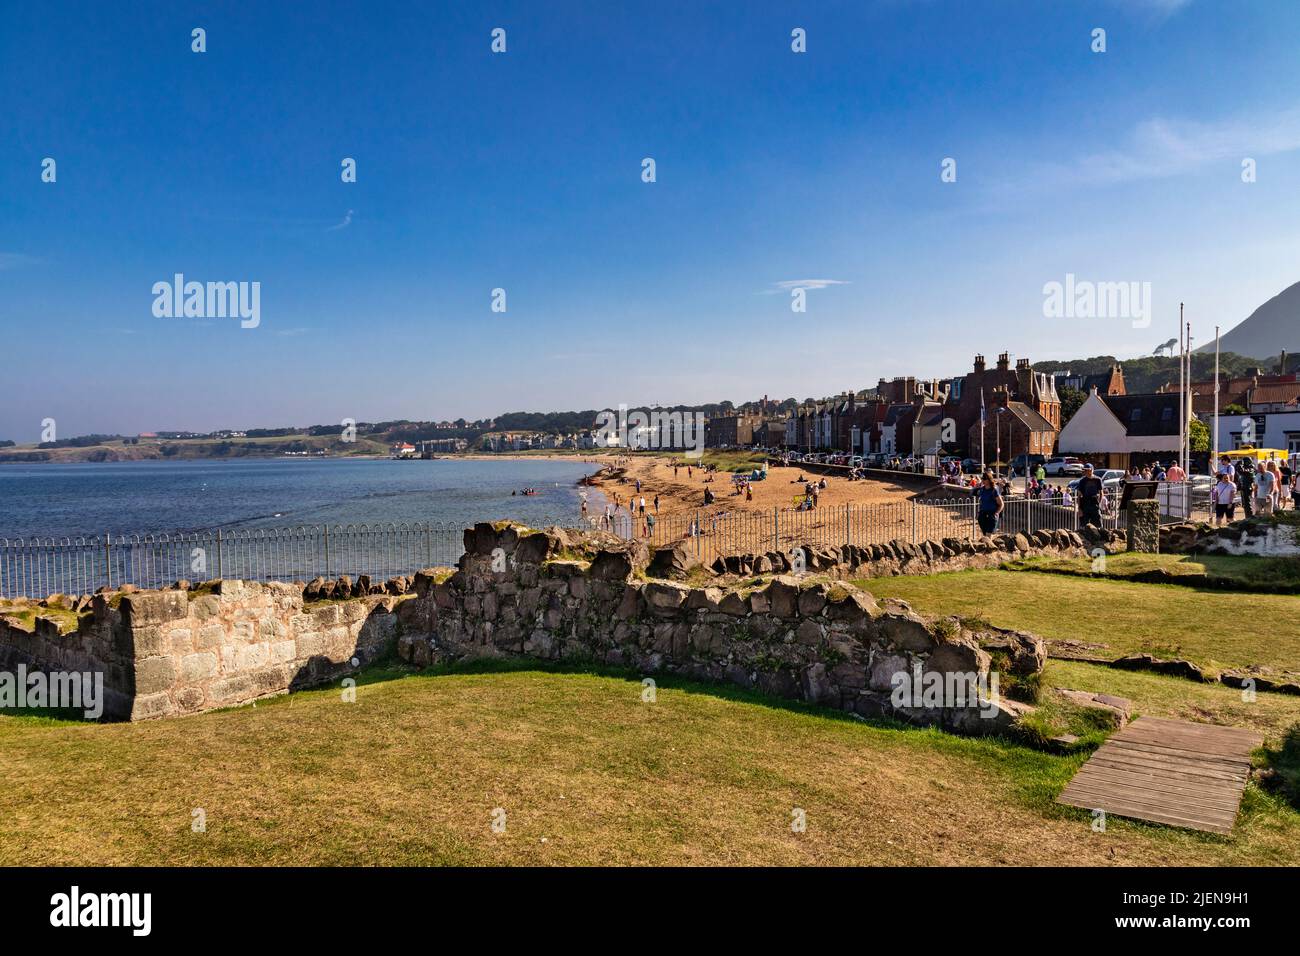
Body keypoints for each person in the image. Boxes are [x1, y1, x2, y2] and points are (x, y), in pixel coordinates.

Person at [1076, 462, 1104, 527]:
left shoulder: (1098, 480)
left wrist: (1099, 503)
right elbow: (1079, 495)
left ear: (1091, 470)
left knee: (1098, 524)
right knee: (1084, 525)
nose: (1085, 471)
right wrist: (1079, 509)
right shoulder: (1082, 481)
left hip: (1095, 504)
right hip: (1085, 504)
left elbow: (1101, 493)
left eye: (1087, 470)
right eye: (1084, 470)